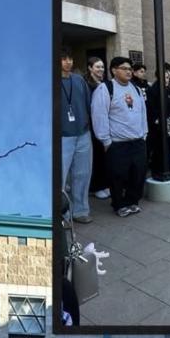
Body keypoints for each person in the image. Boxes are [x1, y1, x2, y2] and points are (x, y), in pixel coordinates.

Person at [91, 55, 149, 217]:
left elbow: (142, 113)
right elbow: (99, 115)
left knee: (138, 174)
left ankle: (132, 201)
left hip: (137, 141)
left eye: (130, 69)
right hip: (117, 143)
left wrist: (144, 133)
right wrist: (106, 140)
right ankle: (119, 204)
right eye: (124, 69)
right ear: (114, 70)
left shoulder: (136, 89)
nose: (129, 72)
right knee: (117, 176)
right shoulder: (105, 89)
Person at [60, 50, 94, 223]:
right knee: (60, 177)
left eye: (70, 59)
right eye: (63, 59)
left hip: (83, 134)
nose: (68, 62)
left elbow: (89, 104)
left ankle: (80, 211)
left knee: (82, 174)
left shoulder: (79, 80)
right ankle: (62, 214)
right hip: (61, 137)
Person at [85, 56, 111, 200]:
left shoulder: (104, 84)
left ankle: (104, 184)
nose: (101, 69)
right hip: (92, 126)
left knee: (104, 157)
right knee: (96, 157)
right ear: (90, 68)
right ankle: (96, 187)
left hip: (105, 124)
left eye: (102, 67)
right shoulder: (86, 84)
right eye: (97, 67)